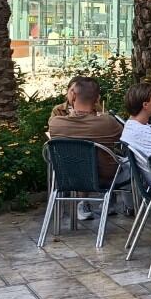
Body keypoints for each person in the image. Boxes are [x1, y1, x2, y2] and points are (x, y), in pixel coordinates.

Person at [48, 77, 124, 218]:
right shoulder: (108, 122)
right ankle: (133, 205)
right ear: (97, 99)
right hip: (105, 178)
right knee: (127, 163)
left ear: (73, 95)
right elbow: (124, 140)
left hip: (68, 175)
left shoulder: (55, 124)